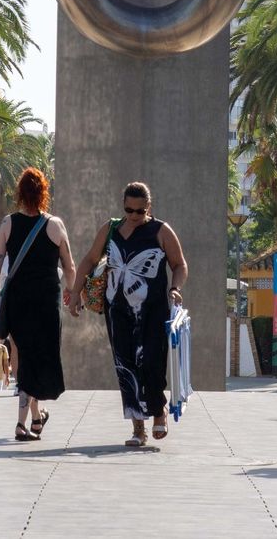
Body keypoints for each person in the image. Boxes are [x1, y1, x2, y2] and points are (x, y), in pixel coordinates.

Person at [71, 181, 189, 448]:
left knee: (151, 362)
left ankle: (158, 411)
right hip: (118, 310)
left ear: (149, 207)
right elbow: (90, 260)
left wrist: (175, 288)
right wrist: (76, 292)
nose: (133, 216)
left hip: (153, 310)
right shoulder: (111, 229)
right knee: (126, 366)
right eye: (128, 210)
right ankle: (138, 428)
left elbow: (179, 264)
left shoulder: (161, 231)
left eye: (139, 211)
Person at [0, 167, 76, 441]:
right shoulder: (55, 225)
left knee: (24, 356)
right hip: (47, 301)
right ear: (43, 193)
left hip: (18, 299)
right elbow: (70, 266)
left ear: (19, 193)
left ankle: (34, 418)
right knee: (41, 356)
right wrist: (70, 291)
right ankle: (23, 422)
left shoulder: (8, 223)